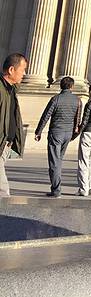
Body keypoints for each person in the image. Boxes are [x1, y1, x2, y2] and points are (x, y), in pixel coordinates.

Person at [35, 76, 82, 198]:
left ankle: (56, 190)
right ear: (72, 87)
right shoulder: (77, 100)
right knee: (59, 160)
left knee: (54, 162)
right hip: (68, 134)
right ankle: (55, 187)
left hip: (56, 132)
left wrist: (38, 131)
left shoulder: (55, 99)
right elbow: (78, 119)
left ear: (61, 86)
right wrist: (74, 134)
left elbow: (46, 116)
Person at [0, 53, 27, 197]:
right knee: (3, 189)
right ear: (11, 70)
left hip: (5, 143)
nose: (24, 74)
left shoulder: (11, 90)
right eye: (22, 70)